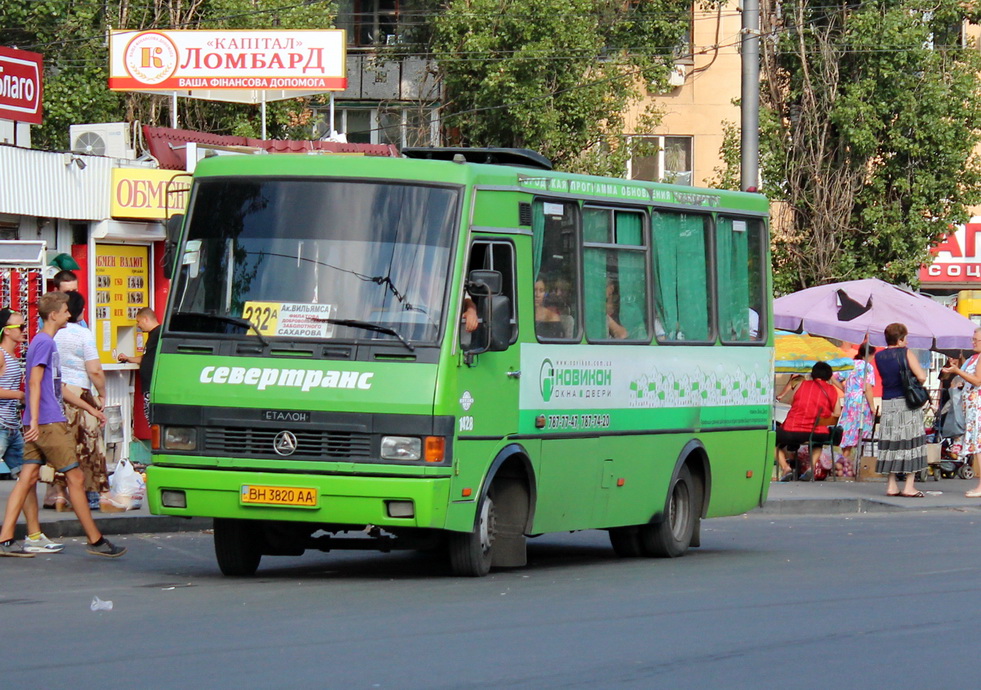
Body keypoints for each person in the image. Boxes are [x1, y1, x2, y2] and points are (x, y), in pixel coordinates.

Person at [0, 291, 126, 557]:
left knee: (27, 478)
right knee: (76, 477)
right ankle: (95, 540)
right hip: (48, 422)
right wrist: (34, 419)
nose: (70, 315)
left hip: (40, 420)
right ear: (54, 314)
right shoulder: (45, 343)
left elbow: (57, 388)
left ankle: (6, 538)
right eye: (66, 311)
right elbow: (34, 382)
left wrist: (90, 407)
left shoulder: (42, 342)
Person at [0, 308, 64, 553]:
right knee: (25, 480)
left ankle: (34, 535)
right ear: (7, 330)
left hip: (12, 426)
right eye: (20, 327)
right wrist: (20, 395)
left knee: (27, 480)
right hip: (2, 426)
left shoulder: (12, 355)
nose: (25, 331)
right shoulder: (1, 355)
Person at [53, 291, 108, 511]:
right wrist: (102, 393)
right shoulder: (83, 334)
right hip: (80, 392)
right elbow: (94, 370)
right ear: (81, 311)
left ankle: (60, 495)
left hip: (57, 393)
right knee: (88, 445)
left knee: (62, 445)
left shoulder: (52, 333)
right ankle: (91, 494)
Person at [874, 322, 927, 498]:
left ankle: (891, 485)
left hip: (888, 402)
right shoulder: (905, 353)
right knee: (911, 442)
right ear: (900, 339)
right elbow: (921, 376)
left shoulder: (879, 357)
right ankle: (909, 486)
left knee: (891, 443)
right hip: (907, 402)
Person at [774, 361, 842, 481]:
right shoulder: (832, 390)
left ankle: (786, 468)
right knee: (818, 443)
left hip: (792, 430)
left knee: (773, 440)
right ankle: (811, 467)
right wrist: (824, 413)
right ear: (829, 375)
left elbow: (792, 401)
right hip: (818, 432)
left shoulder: (802, 384)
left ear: (813, 373)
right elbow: (837, 413)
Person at [942, 329, 981, 497]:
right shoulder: (973, 358)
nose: (973, 342)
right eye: (973, 339)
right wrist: (956, 371)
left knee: (979, 445)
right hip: (971, 407)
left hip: (978, 407)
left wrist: (957, 372)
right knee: (976, 446)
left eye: (976, 340)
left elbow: (978, 380)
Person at [117, 307, 160, 422]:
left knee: (152, 418)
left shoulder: (158, 334)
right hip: (149, 386)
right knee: (150, 417)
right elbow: (147, 358)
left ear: (146, 319)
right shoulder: (153, 335)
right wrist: (128, 358)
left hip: (152, 386)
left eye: (138, 321)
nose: (138, 325)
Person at [838, 344, 877, 465]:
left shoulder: (851, 365)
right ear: (870, 355)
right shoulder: (868, 367)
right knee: (862, 432)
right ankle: (855, 464)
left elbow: (834, 377)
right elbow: (868, 388)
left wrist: (846, 389)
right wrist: (872, 407)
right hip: (861, 403)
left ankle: (842, 462)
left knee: (848, 430)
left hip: (849, 402)